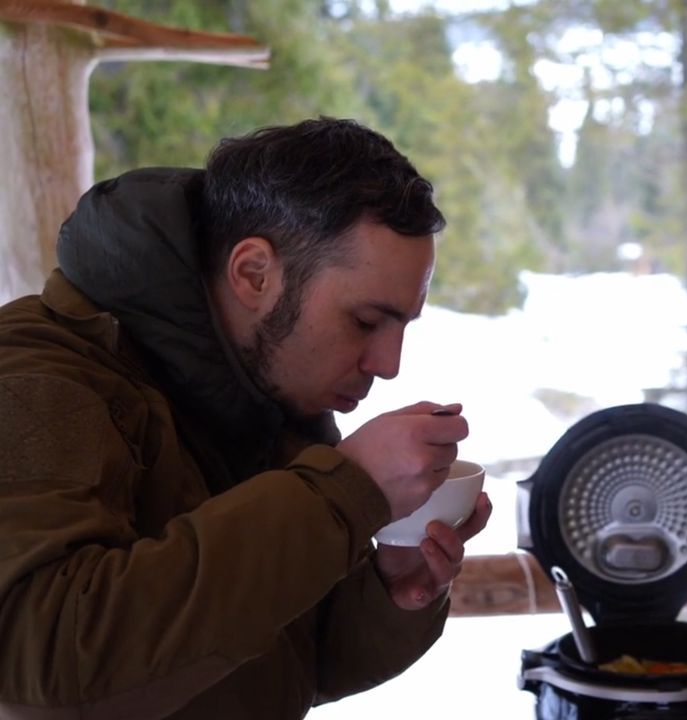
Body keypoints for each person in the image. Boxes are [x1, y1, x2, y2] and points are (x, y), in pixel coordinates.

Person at [0, 117, 492, 718]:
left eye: (402, 326)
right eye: (365, 321)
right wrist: (342, 496)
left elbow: (280, 664)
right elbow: (39, 661)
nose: (388, 364)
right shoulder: (36, 378)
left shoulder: (268, 395)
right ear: (255, 274)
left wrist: (389, 589)